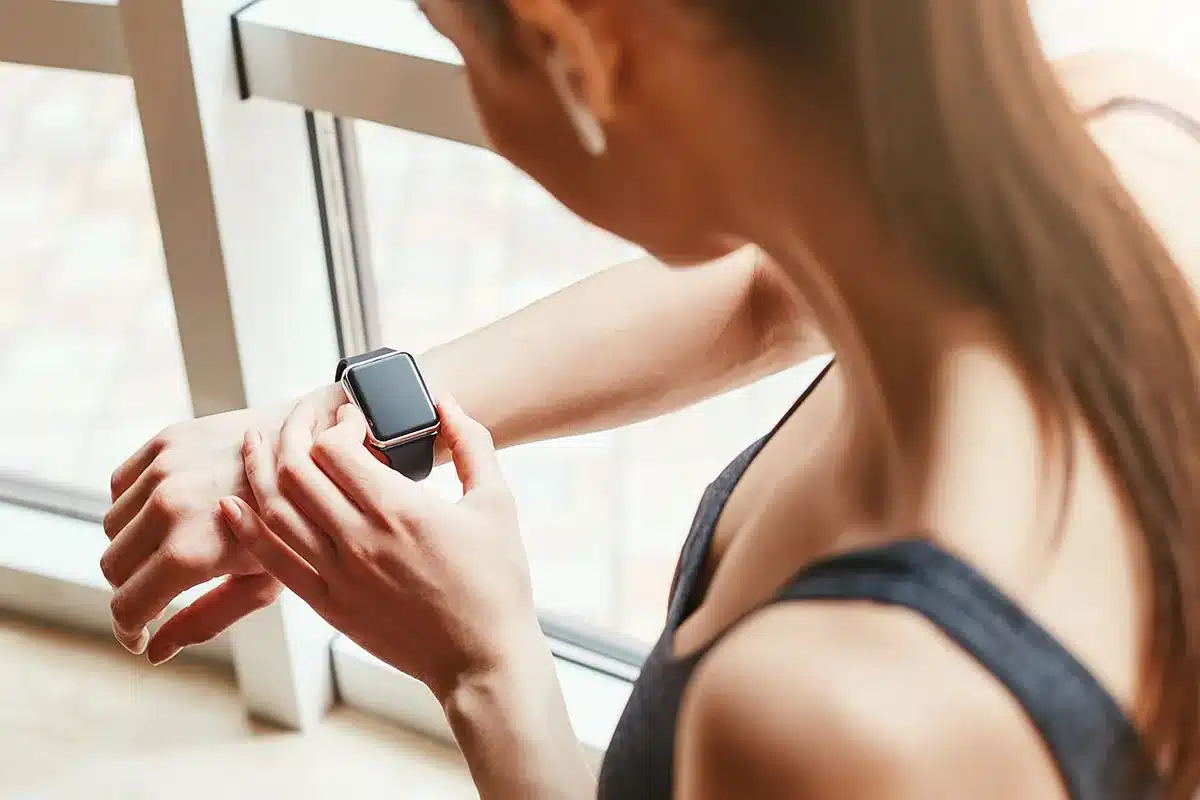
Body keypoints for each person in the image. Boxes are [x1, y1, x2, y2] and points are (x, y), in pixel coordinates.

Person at [99, 1, 1200, 797]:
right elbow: (771, 292)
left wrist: (485, 667)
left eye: (454, 38)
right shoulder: (1134, 122)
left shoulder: (831, 720)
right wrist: (351, 432)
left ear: (577, 49)